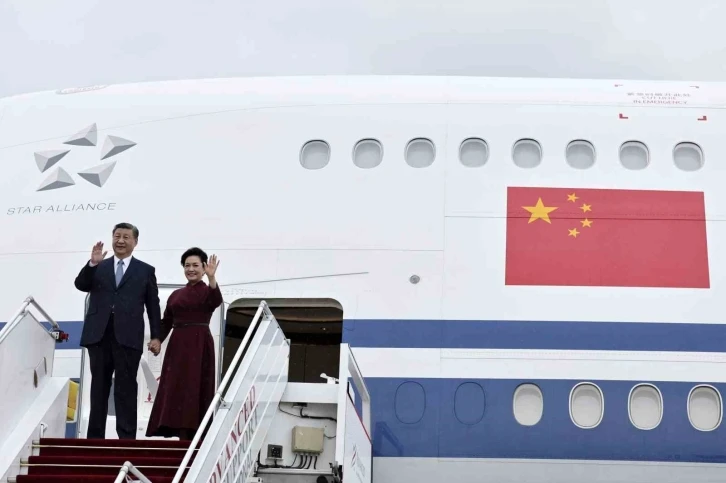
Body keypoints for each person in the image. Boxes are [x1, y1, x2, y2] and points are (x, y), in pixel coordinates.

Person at [74, 222, 162, 440]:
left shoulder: (145, 270)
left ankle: (126, 439)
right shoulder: (99, 266)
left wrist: (157, 336)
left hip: (128, 337)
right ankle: (95, 439)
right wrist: (92, 264)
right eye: (117, 236)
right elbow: (81, 285)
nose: (120, 241)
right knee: (98, 387)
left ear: (135, 242)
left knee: (126, 388)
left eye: (126, 237)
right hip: (99, 335)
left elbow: (153, 306)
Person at [146, 247, 223, 441]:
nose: (191, 269)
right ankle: (175, 429)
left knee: (196, 386)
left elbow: (216, 301)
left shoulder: (208, 290)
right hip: (177, 346)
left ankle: (194, 433)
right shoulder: (175, 295)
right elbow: (166, 322)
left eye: (196, 265)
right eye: (187, 266)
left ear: (204, 268)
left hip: (200, 344)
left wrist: (212, 278)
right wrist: (157, 340)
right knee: (175, 387)